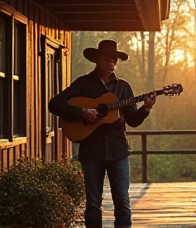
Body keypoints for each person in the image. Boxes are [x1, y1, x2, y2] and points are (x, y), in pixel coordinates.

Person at [48, 39, 156, 228]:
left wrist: (146, 108)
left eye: (114, 59)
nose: (111, 63)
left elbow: (133, 120)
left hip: (118, 152)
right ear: (97, 60)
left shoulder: (123, 87)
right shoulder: (83, 84)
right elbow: (54, 103)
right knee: (92, 205)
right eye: (108, 58)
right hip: (91, 152)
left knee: (122, 203)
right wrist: (81, 112)